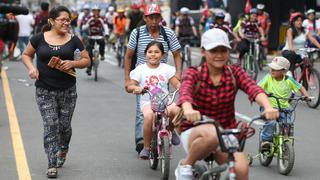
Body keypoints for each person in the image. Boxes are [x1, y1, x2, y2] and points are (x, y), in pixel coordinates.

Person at [174, 28, 279, 180]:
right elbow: (185, 93)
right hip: (195, 131)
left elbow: (254, 89)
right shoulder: (193, 73)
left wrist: (268, 107)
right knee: (211, 133)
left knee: (241, 170)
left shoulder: (234, 72)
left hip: (225, 133)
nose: (219, 55)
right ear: (203, 52)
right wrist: (189, 110)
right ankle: (186, 165)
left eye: (223, 50)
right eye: (213, 50)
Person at [21, 6, 90, 178]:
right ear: (52, 21)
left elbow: (87, 60)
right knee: (51, 125)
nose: (67, 22)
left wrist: (73, 63)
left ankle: (63, 149)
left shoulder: (74, 40)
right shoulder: (38, 38)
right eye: (63, 19)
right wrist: (31, 69)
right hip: (44, 90)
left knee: (64, 127)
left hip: (68, 91)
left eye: (69, 20)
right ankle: (51, 163)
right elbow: (26, 55)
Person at [124, 4, 182, 154]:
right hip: (142, 78)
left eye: (157, 17)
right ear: (145, 18)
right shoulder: (136, 33)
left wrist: (178, 77)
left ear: (160, 18)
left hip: (162, 76)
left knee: (169, 109)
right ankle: (142, 142)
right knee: (142, 113)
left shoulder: (168, 33)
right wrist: (128, 81)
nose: (154, 20)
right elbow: (129, 56)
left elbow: (177, 54)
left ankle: (169, 130)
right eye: (151, 17)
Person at [127, 41, 181, 159]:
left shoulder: (167, 68)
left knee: (176, 110)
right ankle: (146, 148)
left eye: (157, 52)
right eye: (150, 52)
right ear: (145, 54)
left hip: (165, 100)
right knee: (149, 117)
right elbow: (130, 85)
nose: (153, 54)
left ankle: (171, 131)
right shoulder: (140, 69)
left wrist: (181, 87)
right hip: (148, 101)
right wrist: (135, 88)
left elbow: (175, 82)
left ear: (162, 54)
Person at [258, 56, 309, 150]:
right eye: (271, 68)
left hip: (284, 108)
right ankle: (266, 141)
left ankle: (285, 142)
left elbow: (300, 87)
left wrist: (306, 96)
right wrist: (265, 93)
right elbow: (258, 87)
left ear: (283, 71)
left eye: (275, 69)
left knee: (287, 125)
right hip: (269, 107)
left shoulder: (289, 80)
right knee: (271, 123)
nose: (272, 70)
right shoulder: (268, 78)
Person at [82, 5, 108, 75]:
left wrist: (107, 34)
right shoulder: (89, 18)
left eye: (97, 11)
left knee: (102, 42)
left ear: (99, 12)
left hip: (99, 36)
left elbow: (105, 27)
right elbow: (83, 27)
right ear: (92, 12)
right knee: (89, 52)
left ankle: (102, 55)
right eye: (94, 11)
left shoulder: (102, 18)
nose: (96, 12)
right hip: (91, 37)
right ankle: (89, 68)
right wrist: (89, 22)